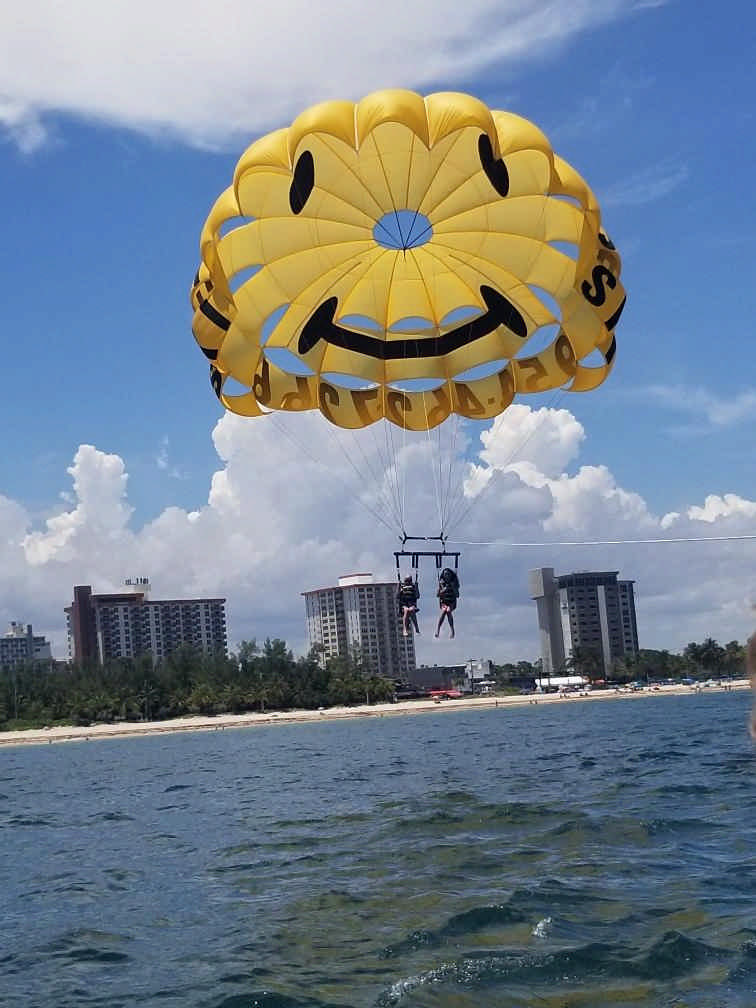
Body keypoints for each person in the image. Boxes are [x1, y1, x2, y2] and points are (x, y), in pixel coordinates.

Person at [435, 567, 459, 639]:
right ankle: (438, 629)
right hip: (444, 602)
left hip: (452, 603)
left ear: (451, 575)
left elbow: (457, 595)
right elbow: (437, 595)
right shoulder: (441, 583)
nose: (447, 576)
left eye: (448, 574)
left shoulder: (454, 583)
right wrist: (444, 589)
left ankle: (452, 630)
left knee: (448, 611)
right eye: (445, 574)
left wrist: (453, 587)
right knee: (443, 611)